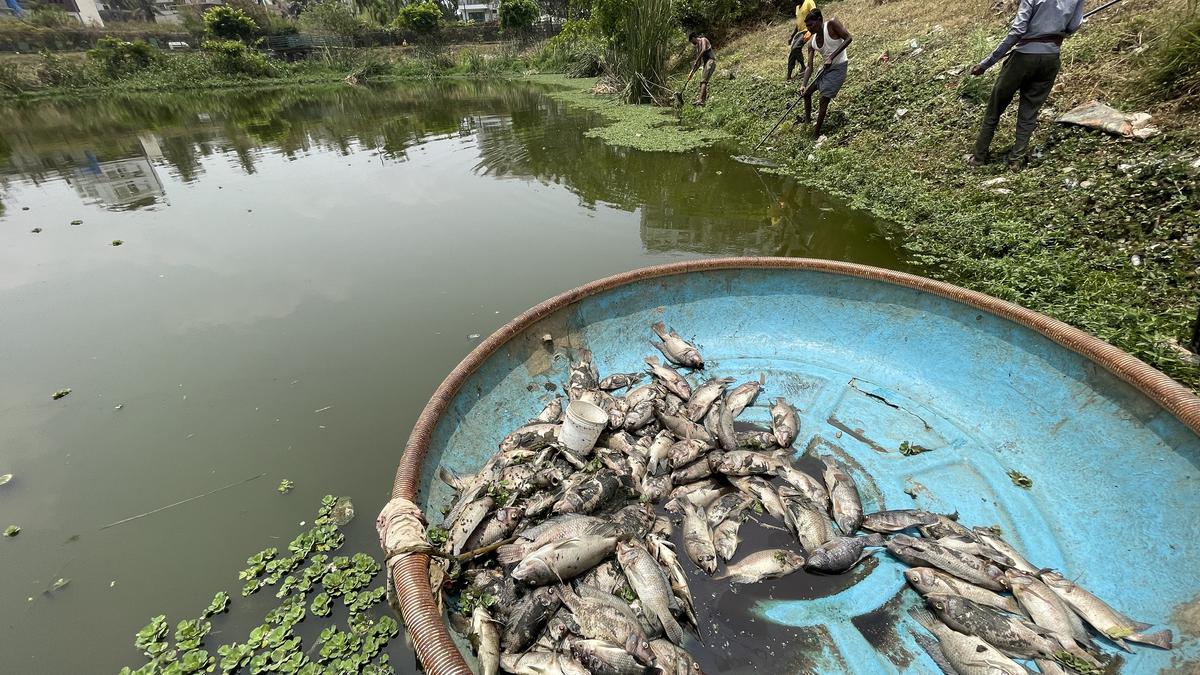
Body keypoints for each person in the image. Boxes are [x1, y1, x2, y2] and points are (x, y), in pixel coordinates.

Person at [968, 0, 1085, 168]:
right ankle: (1016, 160)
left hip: (1023, 58)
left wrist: (986, 63)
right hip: (1051, 58)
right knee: (1029, 112)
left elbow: (1018, 31)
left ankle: (979, 157)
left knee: (995, 107)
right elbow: (1073, 27)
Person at [799, 8, 852, 139]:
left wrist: (831, 57)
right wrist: (803, 84)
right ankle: (807, 121)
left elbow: (849, 38)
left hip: (839, 67)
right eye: (807, 26)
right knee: (806, 94)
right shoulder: (812, 42)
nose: (809, 28)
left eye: (811, 25)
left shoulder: (832, 24)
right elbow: (809, 67)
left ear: (819, 20)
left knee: (824, 99)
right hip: (825, 70)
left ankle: (816, 133)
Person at [786, 0, 817, 80]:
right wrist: (792, 36)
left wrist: (812, 30)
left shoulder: (808, 2)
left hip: (807, 30)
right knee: (793, 52)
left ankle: (803, 67)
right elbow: (798, 23)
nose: (793, 2)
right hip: (799, 32)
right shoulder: (797, 7)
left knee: (796, 48)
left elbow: (815, 15)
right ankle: (789, 76)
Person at [686, 32, 716, 106]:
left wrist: (696, 60)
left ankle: (700, 100)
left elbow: (704, 50)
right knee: (702, 82)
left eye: (691, 41)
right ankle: (703, 102)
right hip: (706, 64)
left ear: (693, 38)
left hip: (710, 61)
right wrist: (692, 72)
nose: (692, 43)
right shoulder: (697, 47)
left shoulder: (703, 40)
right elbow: (698, 63)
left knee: (703, 81)